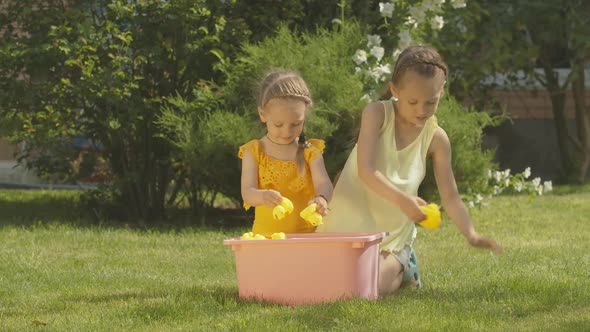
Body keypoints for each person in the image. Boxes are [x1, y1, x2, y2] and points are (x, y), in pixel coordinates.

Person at [317, 45, 501, 294]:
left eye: (431, 102)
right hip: (348, 223)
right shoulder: (376, 114)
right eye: (413, 101)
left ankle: (404, 263)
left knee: (361, 291)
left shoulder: (437, 139)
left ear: (442, 92)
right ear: (395, 90)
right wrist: (404, 200)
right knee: (322, 286)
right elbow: (366, 170)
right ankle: (393, 268)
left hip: (391, 237)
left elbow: (450, 196)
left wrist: (472, 234)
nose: (421, 110)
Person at [239, 69, 333, 234]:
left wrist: (322, 198)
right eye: (278, 124)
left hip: (306, 237)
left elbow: (323, 183)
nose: (287, 132)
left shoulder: (310, 153)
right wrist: (262, 196)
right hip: (266, 238)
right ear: (262, 114)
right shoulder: (254, 152)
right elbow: (247, 193)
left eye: (296, 124)